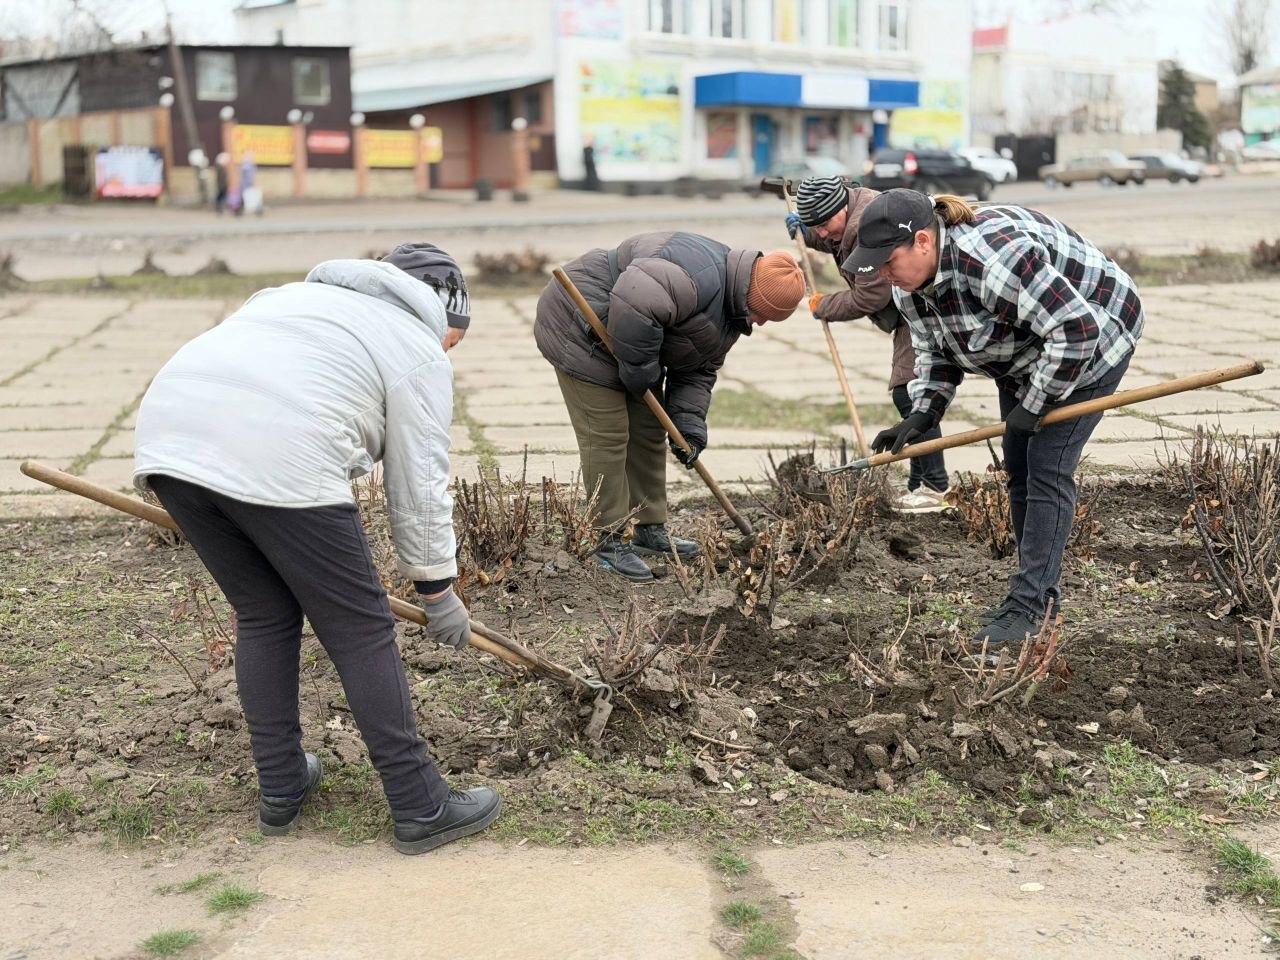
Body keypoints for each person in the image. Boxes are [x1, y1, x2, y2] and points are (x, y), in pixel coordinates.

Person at [132, 242, 499, 855]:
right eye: (452, 339)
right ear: (439, 313)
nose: (447, 352)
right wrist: (437, 588)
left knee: (264, 613)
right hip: (280, 448)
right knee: (360, 629)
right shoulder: (416, 346)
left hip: (169, 438)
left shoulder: (289, 298)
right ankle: (420, 804)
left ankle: (282, 785)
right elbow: (420, 482)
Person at [847, 189, 1143, 648]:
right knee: (1018, 468)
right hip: (1026, 351)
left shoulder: (991, 260)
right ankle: (1034, 596)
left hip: (1095, 334)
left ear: (922, 241)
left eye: (888, 262)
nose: (884, 275)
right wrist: (923, 411)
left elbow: (1075, 330)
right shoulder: (909, 287)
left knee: (1046, 468)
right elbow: (934, 350)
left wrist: (1035, 404)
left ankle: (1030, 606)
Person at [534, 233, 805, 582]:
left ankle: (649, 528)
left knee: (650, 428)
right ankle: (609, 539)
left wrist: (688, 427)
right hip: (583, 321)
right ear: (752, 293)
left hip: (631, 340)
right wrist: (641, 372)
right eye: (762, 313)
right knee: (608, 434)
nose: (761, 322)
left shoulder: (734, 312)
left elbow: (699, 369)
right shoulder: (696, 274)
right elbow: (636, 301)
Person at [786, 176, 950, 511]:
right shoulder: (849, 213)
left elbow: (870, 296)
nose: (822, 232)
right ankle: (919, 484)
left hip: (920, 305)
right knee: (910, 393)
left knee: (911, 393)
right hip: (909, 307)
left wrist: (824, 305)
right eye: (814, 226)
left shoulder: (866, 226)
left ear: (841, 207)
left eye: (824, 224)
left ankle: (935, 488)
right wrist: (808, 234)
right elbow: (837, 239)